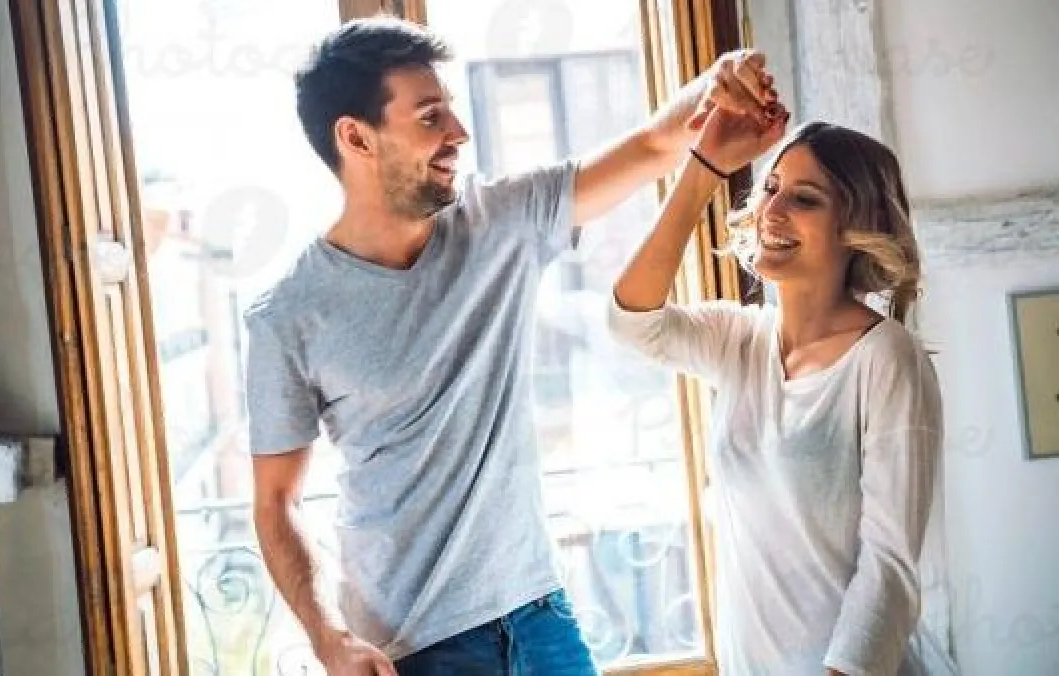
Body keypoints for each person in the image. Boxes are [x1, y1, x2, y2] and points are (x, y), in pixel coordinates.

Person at [245, 16, 779, 676]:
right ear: (356, 137)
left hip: (540, 614)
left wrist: (718, 81)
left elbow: (651, 145)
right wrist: (330, 638)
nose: (458, 133)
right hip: (414, 648)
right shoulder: (287, 316)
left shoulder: (499, 220)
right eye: (430, 117)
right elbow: (277, 504)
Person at [609, 110, 945, 675]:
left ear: (855, 226)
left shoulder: (886, 357)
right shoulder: (738, 340)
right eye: (769, 188)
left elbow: (889, 566)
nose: (772, 210)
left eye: (805, 199)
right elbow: (631, 320)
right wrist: (704, 168)